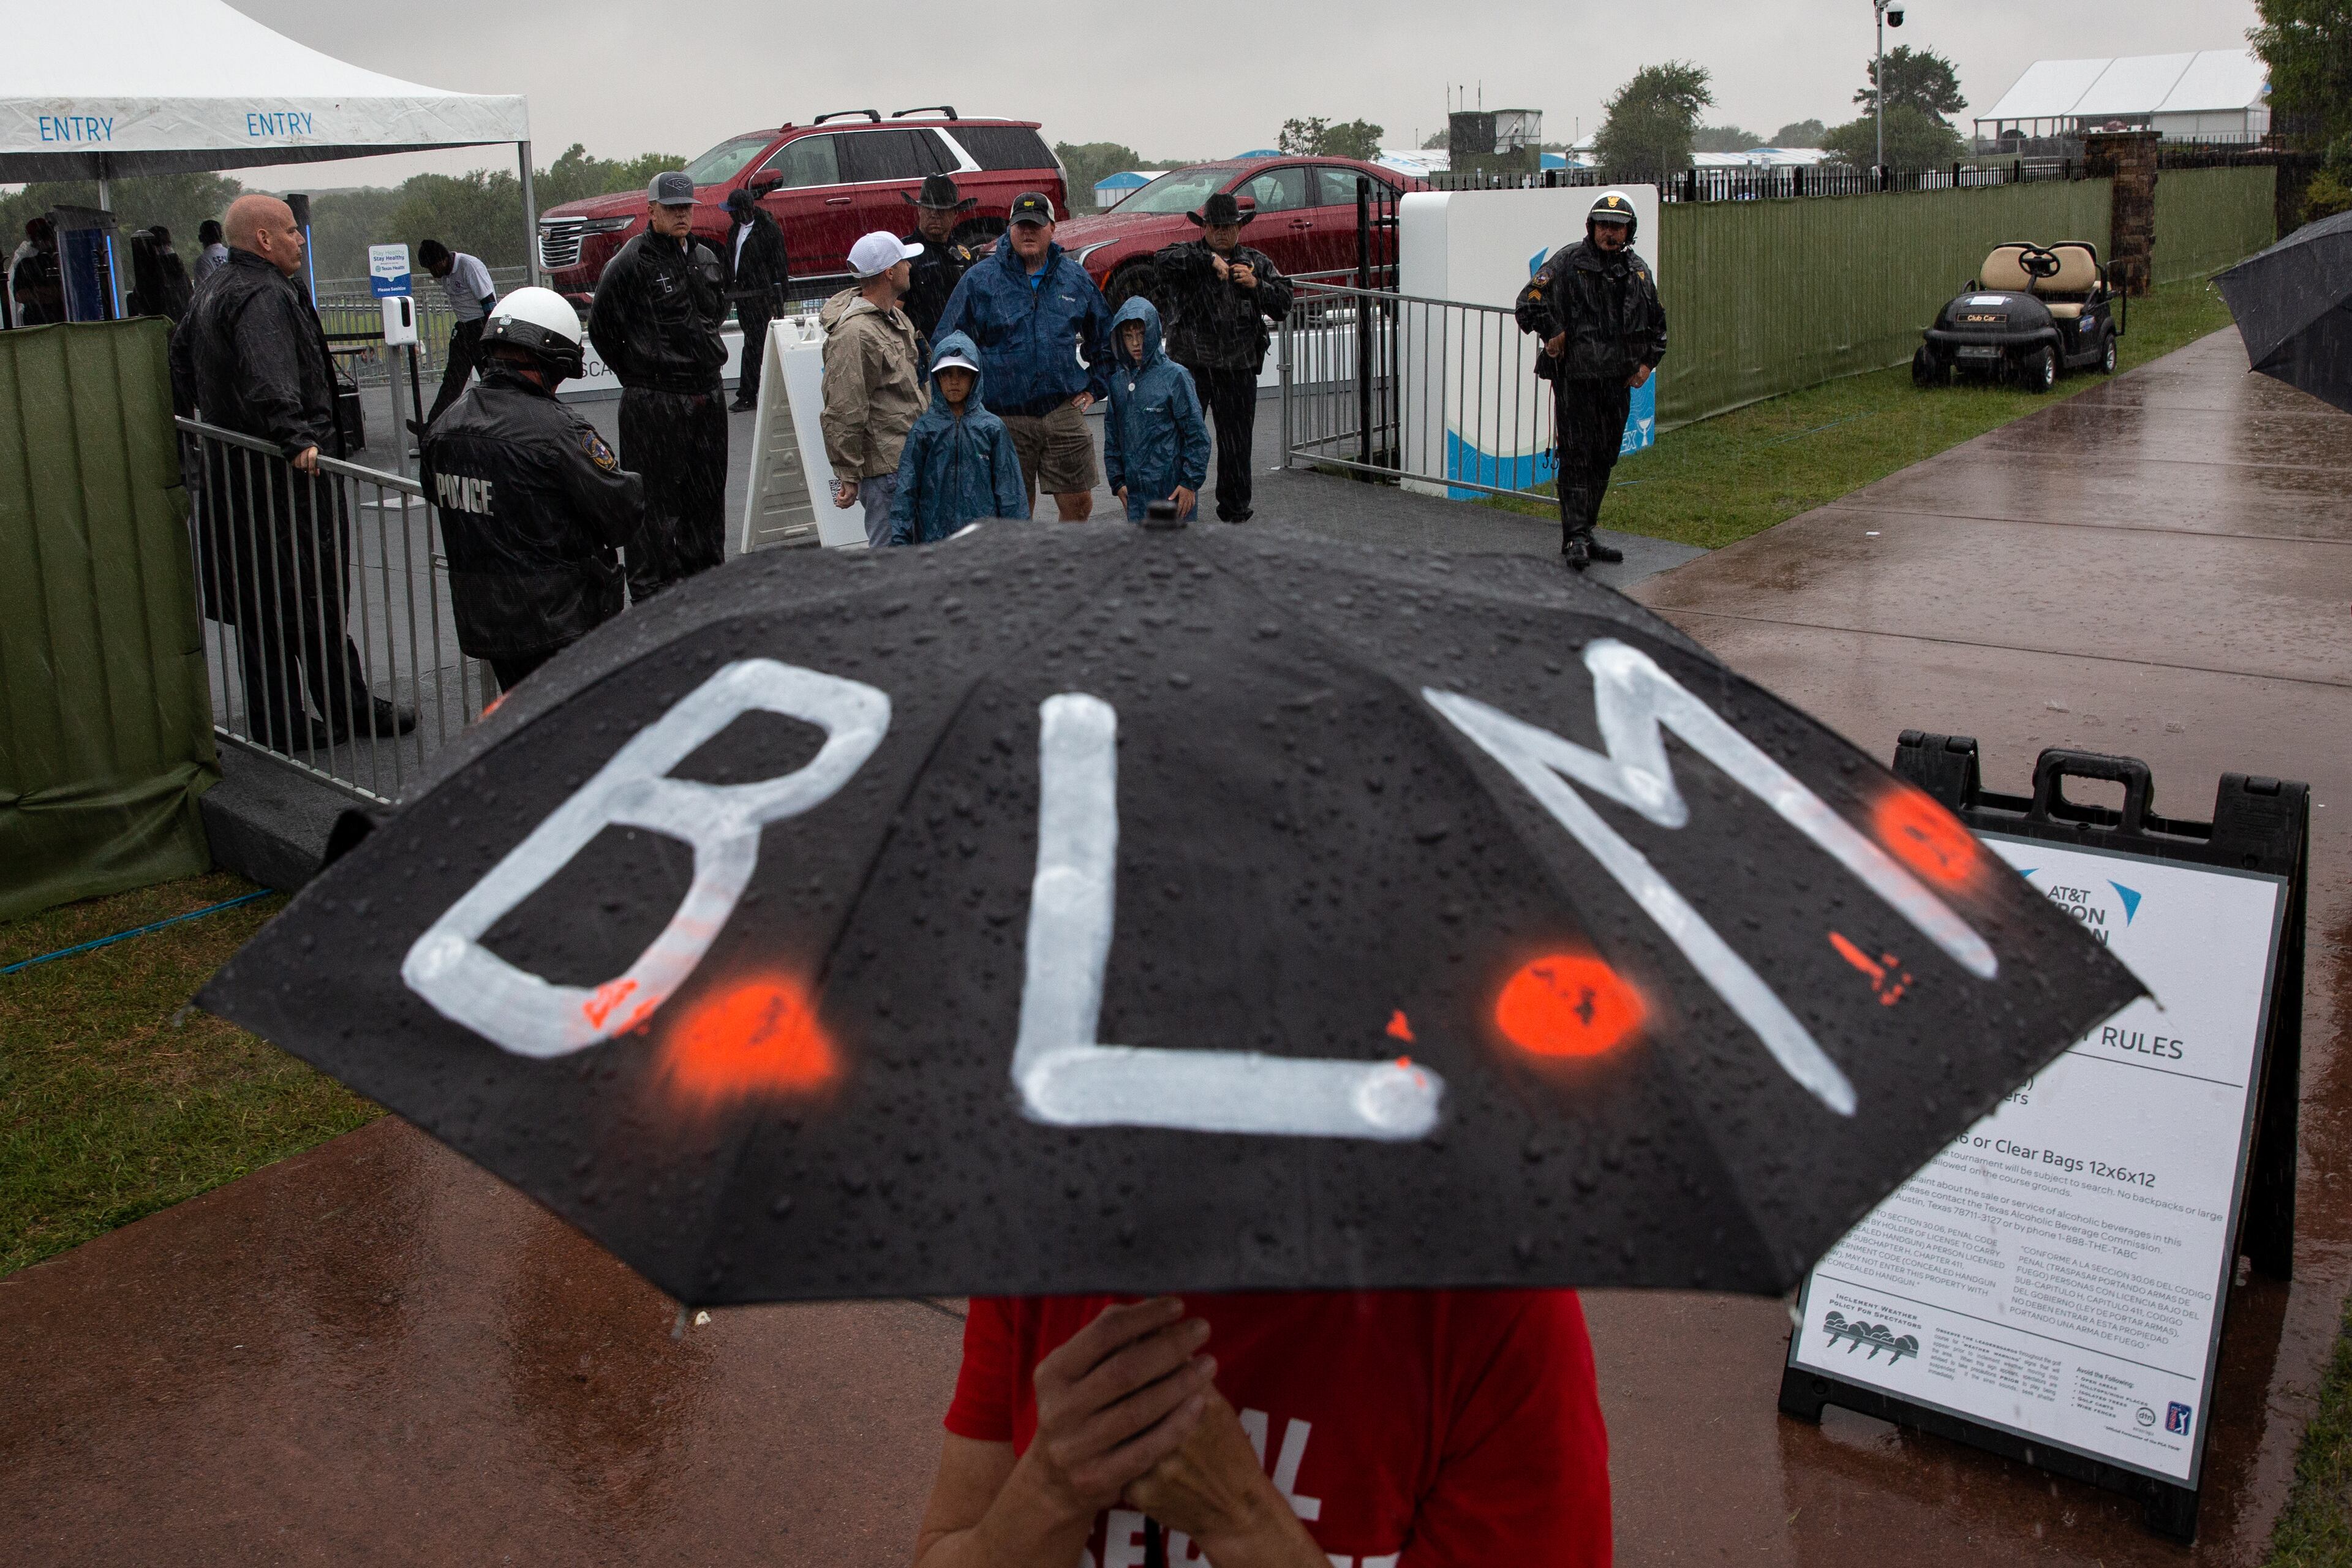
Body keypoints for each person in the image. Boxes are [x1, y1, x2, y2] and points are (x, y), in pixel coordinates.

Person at [916, 1291, 1611, 1566]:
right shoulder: (1049, 1249)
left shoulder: (1494, 1313)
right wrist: (1052, 1488)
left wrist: (1243, 1521)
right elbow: (946, 1547)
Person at [169, 194, 415, 750]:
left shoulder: (212, 287)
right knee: (310, 594)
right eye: (290, 230)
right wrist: (295, 436)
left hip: (239, 474)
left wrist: (194, 421)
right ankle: (324, 711)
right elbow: (268, 372)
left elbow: (179, 359)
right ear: (263, 239)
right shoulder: (261, 293)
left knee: (266, 603)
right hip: (284, 481)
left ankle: (299, 714)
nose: (299, 239)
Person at [419, 287, 644, 693]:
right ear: (557, 360)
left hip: (489, 620)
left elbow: (440, 495)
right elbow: (621, 513)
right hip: (560, 620)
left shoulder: (444, 427)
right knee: (578, 732)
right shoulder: (559, 431)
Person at [586, 170, 730, 600]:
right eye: (672, 208)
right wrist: (640, 374)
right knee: (654, 505)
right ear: (651, 211)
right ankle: (653, 596)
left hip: (706, 393)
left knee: (706, 500)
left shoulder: (705, 257)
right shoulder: (629, 263)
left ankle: (706, 588)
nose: (681, 215)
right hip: (655, 399)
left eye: (686, 208)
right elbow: (602, 330)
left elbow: (713, 317)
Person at [932, 192, 1112, 522]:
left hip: (1062, 410)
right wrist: (962, 403)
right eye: (1020, 226)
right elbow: (948, 343)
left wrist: (1096, 387)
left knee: (1079, 504)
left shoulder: (1074, 277)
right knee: (1014, 511)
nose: (1028, 232)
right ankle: (1023, 571)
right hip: (1003, 416)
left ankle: (1063, 568)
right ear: (1009, 230)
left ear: (1053, 228)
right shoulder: (980, 280)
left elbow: (1105, 336)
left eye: (1036, 225)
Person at [1515, 190, 1667, 571]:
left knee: (1604, 457)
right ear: (1592, 226)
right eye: (1604, 225)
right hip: (1576, 379)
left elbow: (1657, 325)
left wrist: (1648, 363)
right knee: (1578, 456)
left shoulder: (1639, 271)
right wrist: (1552, 331)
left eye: (1617, 227)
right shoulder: (1567, 261)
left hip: (1616, 383)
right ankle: (1574, 536)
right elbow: (1529, 299)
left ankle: (1588, 529)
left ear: (1629, 231)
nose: (1609, 233)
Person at [1152, 192, 1293, 522]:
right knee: (1181, 440)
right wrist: (1206, 261)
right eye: (1215, 226)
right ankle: (1173, 509)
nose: (1222, 232)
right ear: (1205, 227)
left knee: (1237, 447)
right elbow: (1160, 261)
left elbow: (1284, 302)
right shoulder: (1187, 254)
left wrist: (1256, 285)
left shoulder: (1256, 262)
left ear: (1239, 228)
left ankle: (1235, 511)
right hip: (1190, 368)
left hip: (1238, 367)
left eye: (1228, 226)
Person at [820, 232, 928, 548]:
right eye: (903, 260)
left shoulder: (894, 318)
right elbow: (844, 408)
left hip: (906, 462)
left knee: (919, 563)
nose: (910, 266)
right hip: (885, 474)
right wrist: (849, 473)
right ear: (889, 273)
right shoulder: (855, 332)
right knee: (891, 568)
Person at [886, 334, 1028, 546]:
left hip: (984, 540)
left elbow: (1009, 490)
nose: (954, 381)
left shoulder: (992, 428)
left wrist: (1018, 541)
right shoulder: (923, 430)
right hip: (935, 537)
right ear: (936, 378)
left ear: (976, 378)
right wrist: (900, 541)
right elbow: (907, 489)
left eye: (963, 373)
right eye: (946, 374)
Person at [1102, 298, 1208, 523]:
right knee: (1144, 554)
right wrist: (1118, 481)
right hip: (1136, 491)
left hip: (1172, 489)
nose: (1135, 343)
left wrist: (1190, 482)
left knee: (1177, 554)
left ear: (1152, 333)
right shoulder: (1118, 382)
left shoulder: (1176, 377)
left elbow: (1196, 434)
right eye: (1128, 336)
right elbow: (1113, 435)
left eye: (1141, 334)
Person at [723, 188, 791, 411]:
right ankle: (758, 392)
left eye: (733, 212)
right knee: (755, 345)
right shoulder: (735, 230)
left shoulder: (769, 230)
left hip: (762, 297)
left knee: (754, 346)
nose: (730, 215)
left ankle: (749, 394)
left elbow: (779, 264)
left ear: (745, 210)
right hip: (744, 297)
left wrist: (777, 296)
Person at [417, 239, 499, 424]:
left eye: (432, 268)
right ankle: (434, 424)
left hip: (481, 326)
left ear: (442, 260)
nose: (432, 274)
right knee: (452, 380)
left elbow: (489, 302)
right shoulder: (444, 274)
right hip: (463, 329)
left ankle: (497, 421)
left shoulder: (469, 266)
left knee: (489, 377)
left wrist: (491, 336)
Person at [900, 173, 979, 349]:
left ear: (955, 214)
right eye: (929, 208)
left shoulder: (965, 255)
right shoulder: (902, 254)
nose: (935, 215)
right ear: (919, 210)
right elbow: (892, 311)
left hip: (961, 353)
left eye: (942, 210)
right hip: (918, 351)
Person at [12, 219, 63, 325]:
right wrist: (45, 294)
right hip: (37, 321)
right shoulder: (27, 264)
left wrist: (34, 293)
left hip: (54, 321)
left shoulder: (61, 262)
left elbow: (59, 293)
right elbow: (19, 295)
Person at [192, 219, 230, 287]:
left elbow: (203, 292)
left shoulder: (203, 261)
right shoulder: (232, 254)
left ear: (201, 238)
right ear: (221, 235)